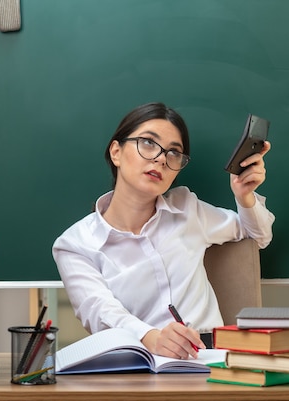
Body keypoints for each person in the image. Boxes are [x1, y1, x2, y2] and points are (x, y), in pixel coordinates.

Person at [52, 102, 274, 360]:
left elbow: (257, 234)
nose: (160, 158)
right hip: (138, 358)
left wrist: (244, 195)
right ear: (116, 152)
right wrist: (151, 337)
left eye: (173, 153)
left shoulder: (187, 209)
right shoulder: (75, 244)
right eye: (148, 142)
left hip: (209, 355)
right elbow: (100, 310)